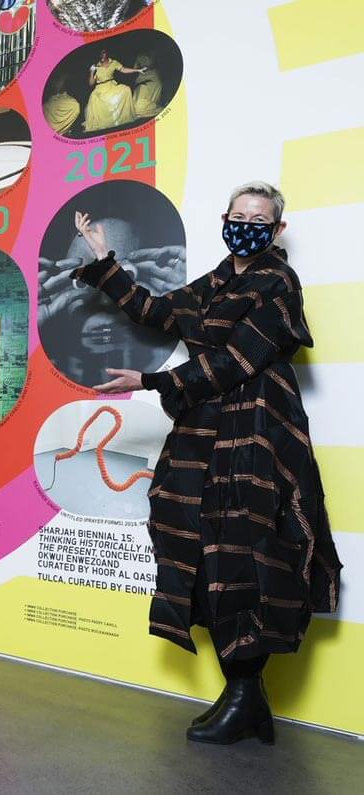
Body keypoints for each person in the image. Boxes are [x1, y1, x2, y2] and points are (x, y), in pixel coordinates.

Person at [69, 181, 342, 745]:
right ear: (226, 218)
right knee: (199, 544)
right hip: (207, 429)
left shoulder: (277, 283)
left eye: (258, 218)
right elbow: (156, 311)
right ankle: (248, 700)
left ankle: (244, 694)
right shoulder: (217, 282)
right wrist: (103, 260)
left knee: (250, 551)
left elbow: (240, 359)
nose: (247, 224)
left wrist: (153, 380)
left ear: (277, 228)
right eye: (238, 215)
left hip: (259, 428)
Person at [82, 48, 145, 132]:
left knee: (126, 89)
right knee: (94, 98)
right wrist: (91, 72)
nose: (102, 56)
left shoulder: (113, 63)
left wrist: (137, 70)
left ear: (107, 53)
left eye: (103, 53)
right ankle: (103, 122)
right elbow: (91, 83)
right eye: (100, 54)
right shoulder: (96, 66)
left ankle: (123, 118)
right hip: (100, 88)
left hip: (111, 85)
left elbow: (123, 69)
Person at [131, 53, 163, 118]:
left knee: (146, 93)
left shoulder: (153, 54)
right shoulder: (139, 56)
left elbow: (156, 64)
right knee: (139, 98)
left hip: (152, 77)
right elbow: (135, 68)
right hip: (143, 77)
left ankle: (152, 106)